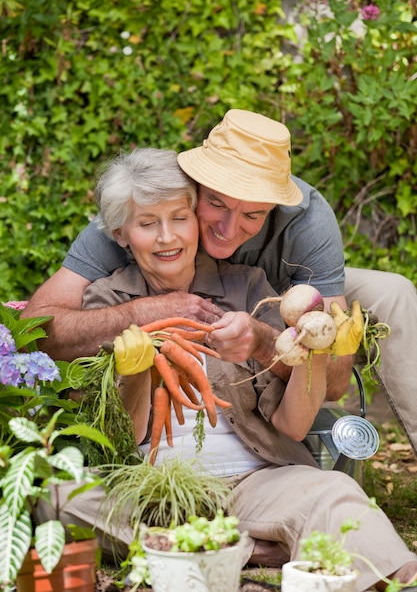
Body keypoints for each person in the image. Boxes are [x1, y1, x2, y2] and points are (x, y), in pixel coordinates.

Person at [38, 146, 417, 592]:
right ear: (122, 235)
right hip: (149, 491)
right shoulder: (105, 302)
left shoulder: (252, 288)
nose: (166, 237)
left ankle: (394, 574)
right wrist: (139, 368)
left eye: (179, 219)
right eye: (147, 224)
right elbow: (127, 438)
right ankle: (241, 547)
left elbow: (292, 426)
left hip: (252, 481)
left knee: (333, 492)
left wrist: (304, 350)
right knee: (55, 497)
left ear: (194, 217)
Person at [22, 109, 417, 455]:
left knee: (393, 293)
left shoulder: (307, 221)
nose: (229, 230)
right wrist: (150, 310)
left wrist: (266, 341)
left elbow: (332, 382)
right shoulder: (152, 206)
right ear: (193, 186)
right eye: (216, 204)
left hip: (283, 299)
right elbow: (39, 327)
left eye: (253, 215)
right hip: (170, 296)